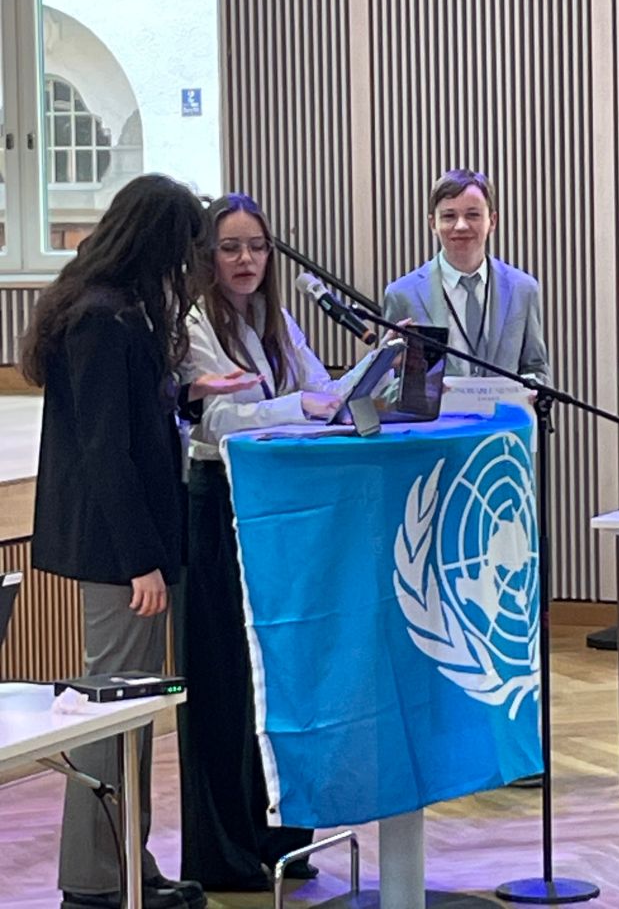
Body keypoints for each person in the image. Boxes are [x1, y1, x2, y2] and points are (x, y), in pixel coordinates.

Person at [20, 174, 258, 909]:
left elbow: (130, 413)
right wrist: (141, 564)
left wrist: (191, 393)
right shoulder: (99, 318)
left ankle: (129, 863)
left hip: (138, 544)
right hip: (118, 552)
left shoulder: (120, 310)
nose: (189, 265)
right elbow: (105, 453)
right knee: (111, 709)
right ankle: (96, 880)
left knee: (133, 713)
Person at [176, 192, 347, 892]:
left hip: (280, 510)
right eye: (231, 248)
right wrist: (297, 405)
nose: (246, 260)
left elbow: (321, 390)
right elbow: (217, 420)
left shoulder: (275, 319)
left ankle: (280, 838)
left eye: (256, 247)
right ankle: (226, 852)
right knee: (226, 687)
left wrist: (369, 375)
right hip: (218, 506)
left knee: (277, 682)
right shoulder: (194, 322)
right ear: (207, 257)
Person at [383, 168, 551, 386]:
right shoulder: (402, 294)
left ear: (492, 221)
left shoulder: (523, 289)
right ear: (433, 224)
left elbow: (536, 369)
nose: (461, 226)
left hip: (506, 410)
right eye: (449, 216)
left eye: (473, 215)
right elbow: (388, 384)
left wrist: (532, 390)